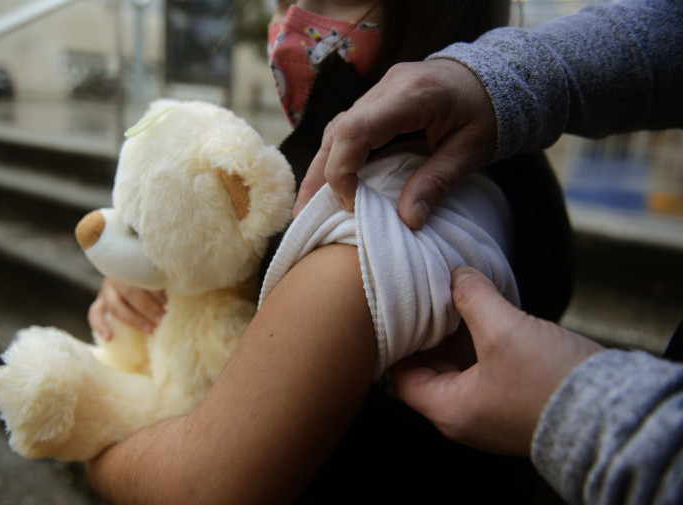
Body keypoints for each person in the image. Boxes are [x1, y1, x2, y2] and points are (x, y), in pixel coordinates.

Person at [85, 1, 575, 503]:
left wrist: (91, 436)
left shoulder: (371, 237)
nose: (293, 18)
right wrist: (155, 267)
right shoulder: (507, 154)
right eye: (283, 2)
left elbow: (202, 486)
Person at [293, 0, 683, 502]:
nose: (292, 17)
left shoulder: (361, 243)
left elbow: (205, 483)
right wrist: (502, 75)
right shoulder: (523, 169)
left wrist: (572, 404)